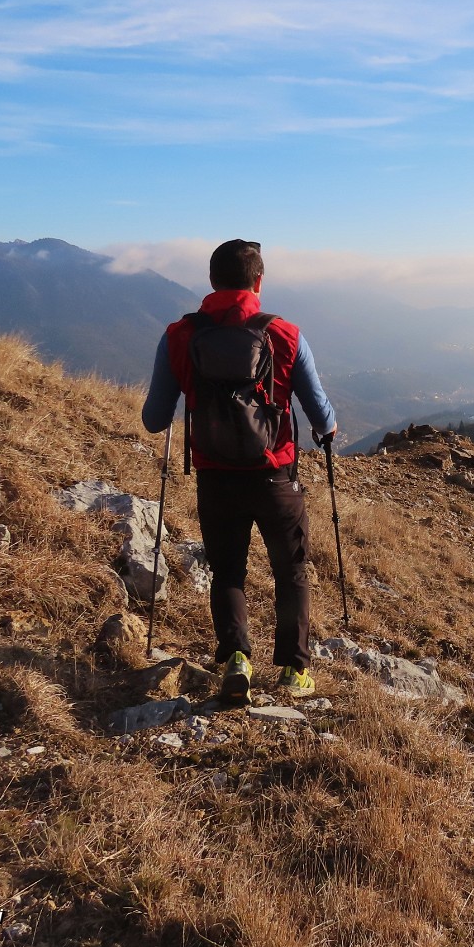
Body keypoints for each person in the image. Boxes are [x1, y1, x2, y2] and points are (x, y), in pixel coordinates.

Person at [141, 239, 337, 704]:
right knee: (290, 570)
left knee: (228, 570)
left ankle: (235, 659)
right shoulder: (286, 335)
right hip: (275, 476)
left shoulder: (179, 336)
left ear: (211, 281)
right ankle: (293, 669)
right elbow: (320, 416)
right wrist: (328, 427)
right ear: (259, 281)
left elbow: (153, 419)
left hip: (215, 476)